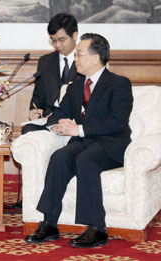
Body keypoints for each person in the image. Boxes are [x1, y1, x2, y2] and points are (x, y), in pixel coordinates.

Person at [25, 33, 133, 248]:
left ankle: (97, 228)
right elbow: (60, 113)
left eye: (80, 54)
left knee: (86, 160)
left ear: (95, 57)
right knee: (59, 157)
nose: (75, 59)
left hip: (112, 143)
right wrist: (56, 126)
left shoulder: (119, 83)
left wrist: (79, 129)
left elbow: (117, 122)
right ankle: (49, 223)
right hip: (85, 142)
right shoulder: (75, 86)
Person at [22, 13, 82, 134]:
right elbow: (38, 97)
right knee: (28, 130)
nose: (57, 45)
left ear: (74, 35)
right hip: (49, 120)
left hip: (75, 120)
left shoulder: (85, 60)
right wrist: (35, 111)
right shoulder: (45, 62)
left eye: (62, 39)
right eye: (53, 40)